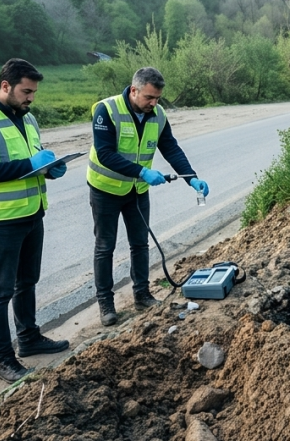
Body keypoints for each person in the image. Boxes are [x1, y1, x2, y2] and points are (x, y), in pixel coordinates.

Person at [0, 59, 70, 383]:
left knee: (27, 282)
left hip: (32, 213)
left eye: (34, 92)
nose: (31, 98)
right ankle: (2, 360)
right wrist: (29, 164)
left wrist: (49, 168)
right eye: (26, 91)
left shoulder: (28, 118)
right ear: (5, 86)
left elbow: (29, 161)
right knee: (0, 292)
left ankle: (29, 338)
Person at [87, 67, 209, 326]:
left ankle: (142, 294)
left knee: (140, 243)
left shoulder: (158, 115)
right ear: (134, 90)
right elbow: (105, 153)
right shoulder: (107, 111)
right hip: (106, 190)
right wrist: (142, 171)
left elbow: (170, 148)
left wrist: (191, 177)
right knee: (105, 246)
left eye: (157, 99)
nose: (153, 103)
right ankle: (106, 304)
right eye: (149, 98)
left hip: (137, 192)